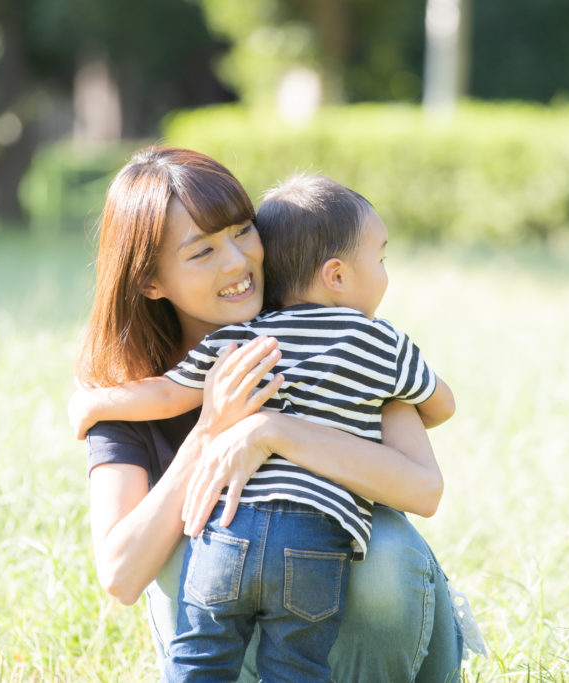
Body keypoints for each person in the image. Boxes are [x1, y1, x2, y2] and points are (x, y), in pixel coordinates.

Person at [70, 146, 480, 682]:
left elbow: (423, 488)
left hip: (377, 646)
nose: (238, 263)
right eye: (202, 252)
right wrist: (211, 430)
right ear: (150, 282)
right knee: (183, 548)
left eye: (242, 231)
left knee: (383, 552)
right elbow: (122, 574)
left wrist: (272, 429)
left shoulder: (333, 331)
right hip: (235, 638)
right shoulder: (133, 390)